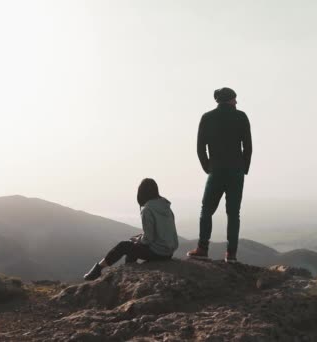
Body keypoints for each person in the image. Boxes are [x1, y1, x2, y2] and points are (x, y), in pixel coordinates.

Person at [187, 87, 252, 263]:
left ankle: (202, 248)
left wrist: (208, 167)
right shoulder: (241, 117)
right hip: (236, 172)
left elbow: (200, 147)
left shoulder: (207, 118)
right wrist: (243, 168)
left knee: (206, 210)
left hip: (216, 170)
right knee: (233, 213)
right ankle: (231, 254)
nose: (236, 102)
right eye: (234, 99)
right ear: (229, 100)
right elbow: (248, 146)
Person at [84, 178, 179, 281]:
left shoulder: (147, 209)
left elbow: (148, 239)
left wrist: (137, 240)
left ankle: (99, 269)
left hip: (158, 253)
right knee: (132, 243)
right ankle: (129, 268)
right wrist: (138, 238)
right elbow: (161, 232)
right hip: (169, 252)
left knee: (124, 245)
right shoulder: (165, 206)